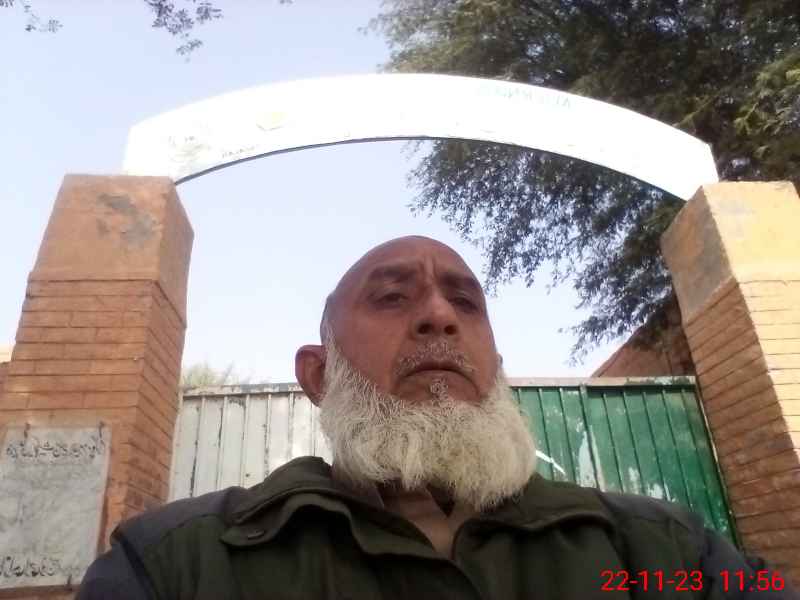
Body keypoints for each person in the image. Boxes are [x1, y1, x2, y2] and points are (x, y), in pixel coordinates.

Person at [78, 236, 795, 599]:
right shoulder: (175, 566)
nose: (438, 316)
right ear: (319, 375)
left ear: (495, 364)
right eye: (392, 297)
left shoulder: (668, 553)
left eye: (465, 302)